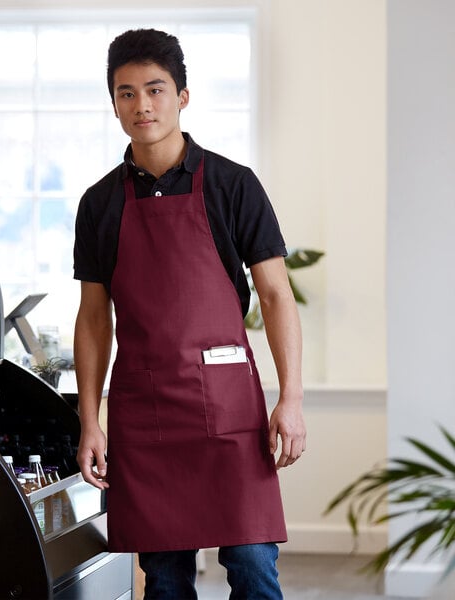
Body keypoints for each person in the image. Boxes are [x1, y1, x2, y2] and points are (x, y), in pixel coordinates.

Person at [73, 28, 306, 600]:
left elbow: (276, 295)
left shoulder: (233, 185)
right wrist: (89, 418)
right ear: (114, 103)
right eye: (126, 93)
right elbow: (94, 318)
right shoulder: (99, 203)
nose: (142, 105)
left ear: (182, 96)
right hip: (146, 411)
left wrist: (291, 400)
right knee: (166, 576)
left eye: (155, 89)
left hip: (229, 405)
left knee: (253, 563)